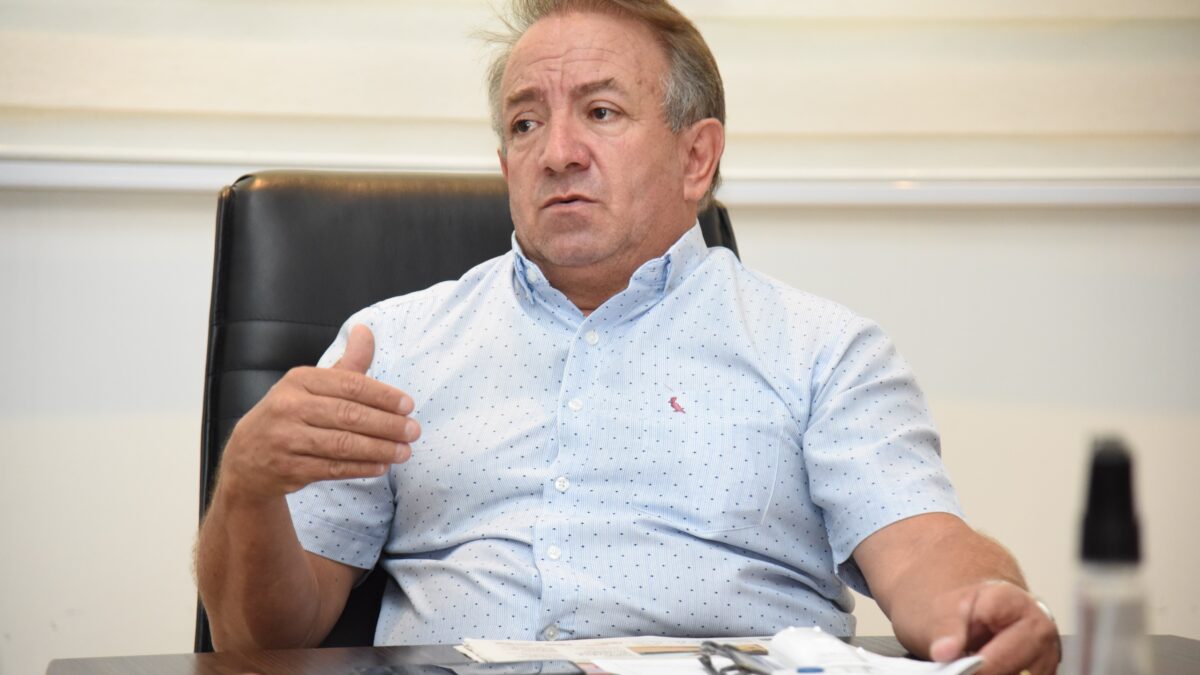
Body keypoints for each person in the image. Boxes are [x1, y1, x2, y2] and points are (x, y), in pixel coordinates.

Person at [195, 1, 1061, 672]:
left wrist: (983, 606)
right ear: (505, 166)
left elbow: (923, 551)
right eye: (525, 123)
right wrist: (247, 487)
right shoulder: (392, 345)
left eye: (601, 112)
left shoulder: (820, 350)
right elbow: (261, 638)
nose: (557, 152)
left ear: (697, 158)